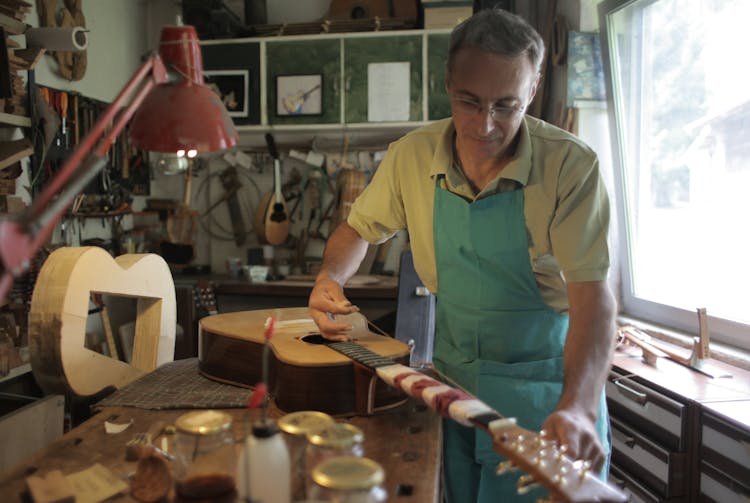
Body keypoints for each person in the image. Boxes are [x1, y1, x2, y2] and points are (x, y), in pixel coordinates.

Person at [308, 7, 616, 502]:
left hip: (544, 403)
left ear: (533, 89)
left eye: (506, 106)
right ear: (447, 81)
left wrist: (577, 406)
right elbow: (357, 230)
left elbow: (594, 301)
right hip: (452, 395)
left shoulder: (570, 167)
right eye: (469, 102)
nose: (485, 125)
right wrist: (330, 279)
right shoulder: (411, 154)